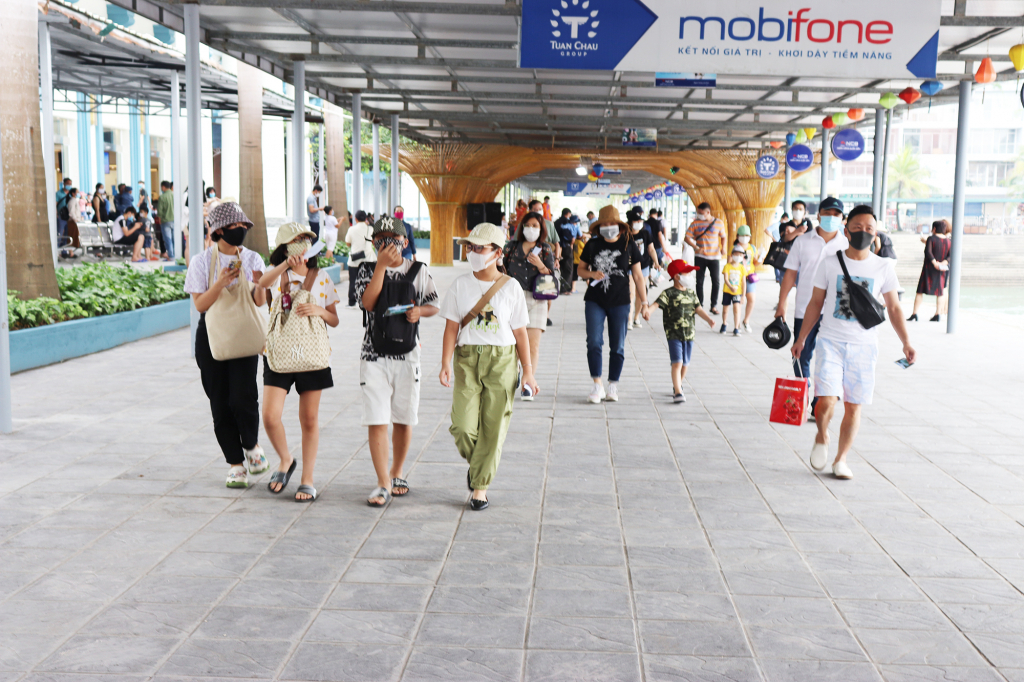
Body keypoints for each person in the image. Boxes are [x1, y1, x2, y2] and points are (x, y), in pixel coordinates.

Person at [792, 205, 916, 479]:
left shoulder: (883, 266)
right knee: (825, 401)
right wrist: (801, 338)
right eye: (858, 227)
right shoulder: (830, 262)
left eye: (869, 229)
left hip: (864, 346)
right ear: (846, 229)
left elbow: (894, 308)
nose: (863, 232)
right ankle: (822, 436)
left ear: (876, 235)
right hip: (830, 342)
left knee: (853, 405)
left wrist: (906, 342)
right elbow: (816, 302)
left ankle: (841, 459)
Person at [439, 223, 538, 511]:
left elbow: (521, 333)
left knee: (493, 428)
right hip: (467, 359)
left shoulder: (512, 287)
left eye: (479, 248)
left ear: (497, 253)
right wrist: (445, 362)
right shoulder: (460, 285)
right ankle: (481, 466)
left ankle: (480, 487)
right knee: (461, 427)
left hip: (503, 361)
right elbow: (450, 328)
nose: (472, 252)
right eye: (470, 247)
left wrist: (528, 371)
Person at [184, 202, 269, 489]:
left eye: (244, 226)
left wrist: (261, 285)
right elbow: (200, 306)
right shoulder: (200, 262)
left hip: (244, 333)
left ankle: (252, 446)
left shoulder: (253, 258)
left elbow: (260, 302)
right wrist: (220, 282)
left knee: (243, 397)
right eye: (236, 227)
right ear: (219, 231)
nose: (242, 231)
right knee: (219, 402)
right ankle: (235, 464)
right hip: (211, 337)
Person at [355, 216, 439, 507]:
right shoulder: (366, 269)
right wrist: (380, 266)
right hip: (373, 354)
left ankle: (397, 472)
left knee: (404, 417)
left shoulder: (418, 270)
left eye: (393, 238)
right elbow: (367, 303)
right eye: (380, 239)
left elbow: (434, 303)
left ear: (405, 242)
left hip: (407, 352)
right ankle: (381, 483)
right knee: (376, 417)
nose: (387, 243)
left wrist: (420, 312)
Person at [258, 223, 340, 502]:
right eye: (296, 240)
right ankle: (285, 460)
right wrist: (284, 266)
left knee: (309, 418)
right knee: (269, 416)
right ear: (284, 247)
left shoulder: (321, 278)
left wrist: (318, 309)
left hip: (311, 354)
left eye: (306, 239)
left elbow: (334, 319)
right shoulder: (276, 276)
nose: (303, 244)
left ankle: (307, 478)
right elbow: (260, 288)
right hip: (279, 351)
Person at [776, 196, 849, 404]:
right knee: (800, 355)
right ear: (818, 215)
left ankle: (819, 403)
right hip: (804, 309)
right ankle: (803, 395)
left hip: (835, 311)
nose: (831, 218)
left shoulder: (846, 245)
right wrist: (782, 304)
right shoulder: (802, 241)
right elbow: (790, 274)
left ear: (842, 219)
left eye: (836, 215)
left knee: (828, 359)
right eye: (827, 213)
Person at [577, 205, 649, 404]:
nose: (608, 227)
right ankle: (597, 384)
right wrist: (591, 274)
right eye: (604, 224)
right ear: (599, 227)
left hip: (620, 301)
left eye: (612, 224)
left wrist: (644, 303)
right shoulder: (592, 245)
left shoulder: (628, 244)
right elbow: (580, 270)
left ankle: (613, 384)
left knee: (617, 344)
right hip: (594, 300)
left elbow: (638, 276)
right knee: (593, 341)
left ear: (620, 226)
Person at [502, 211, 556, 399]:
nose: (531, 229)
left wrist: (540, 265)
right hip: (512, 298)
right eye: (528, 225)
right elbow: (501, 269)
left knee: (533, 345)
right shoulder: (511, 247)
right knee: (514, 342)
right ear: (521, 227)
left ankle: (528, 383)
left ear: (541, 229)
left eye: (535, 226)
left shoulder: (546, 249)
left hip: (537, 298)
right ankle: (516, 373)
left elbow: (552, 275)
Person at [650, 260, 716, 403]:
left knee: (685, 363)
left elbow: (698, 309)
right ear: (677, 276)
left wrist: (708, 319)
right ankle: (678, 392)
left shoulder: (692, 293)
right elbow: (656, 304)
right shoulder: (669, 293)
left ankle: (677, 384)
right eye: (687, 273)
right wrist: (648, 311)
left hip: (689, 334)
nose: (690, 276)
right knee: (677, 363)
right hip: (674, 334)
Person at [684, 202, 727, 314]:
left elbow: (723, 237)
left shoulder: (718, 223)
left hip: (714, 257)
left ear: (708, 212)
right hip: (700, 257)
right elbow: (687, 237)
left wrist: (723, 248)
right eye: (698, 212)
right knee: (699, 281)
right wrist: (696, 247)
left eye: (701, 213)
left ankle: (713, 305)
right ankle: (700, 305)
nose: (699, 214)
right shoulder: (695, 223)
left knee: (716, 281)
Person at [909, 219, 951, 322]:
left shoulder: (931, 239)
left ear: (934, 228)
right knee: (940, 292)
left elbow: (928, 252)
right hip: (941, 270)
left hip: (928, 269)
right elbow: (950, 255)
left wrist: (934, 263)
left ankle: (914, 313)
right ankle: (937, 314)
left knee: (920, 291)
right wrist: (943, 263)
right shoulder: (949, 241)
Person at [627, 207, 661, 329]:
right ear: (630, 222)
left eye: (640, 221)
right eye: (636, 221)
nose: (639, 223)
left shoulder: (645, 233)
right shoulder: (625, 235)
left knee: (640, 293)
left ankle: (636, 317)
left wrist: (656, 262)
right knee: (631, 293)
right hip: (629, 267)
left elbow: (651, 249)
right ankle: (629, 319)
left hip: (644, 266)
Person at [345, 210, 376, 307]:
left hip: (355, 260)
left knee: (353, 280)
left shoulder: (351, 229)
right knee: (371, 281)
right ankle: (371, 300)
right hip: (369, 258)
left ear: (356, 219)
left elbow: (348, 243)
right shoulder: (370, 229)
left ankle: (352, 302)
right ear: (366, 219)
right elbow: (373, 242)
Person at [736, 225, 764, 333]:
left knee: (751, 299)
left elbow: (755, 262)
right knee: (738, 301)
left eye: (747, 235)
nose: (744, 237)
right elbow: (730, 261)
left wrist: (761, 258)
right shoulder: (735, 247)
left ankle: (746, 320)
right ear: (738, 236)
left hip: (749, 277)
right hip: (738, 277)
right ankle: (737, 323)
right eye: (742, 235)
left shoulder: (752, 248)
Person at [720, 245, 751, 336]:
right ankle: (724, 323)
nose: (738, 256)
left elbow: (744, 282)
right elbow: (726, 279)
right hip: (727, 291)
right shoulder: (727, 266)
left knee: (736, 309)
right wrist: (730, 287)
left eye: (741, 255)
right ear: (732, 254)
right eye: (736, 254)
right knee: (725, 309)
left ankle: (736, 327)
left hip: (737, 292)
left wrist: (743, 295)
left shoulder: (742, 268)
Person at [553, 208, 579, 294]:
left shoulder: (556, 222)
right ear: (568, 214)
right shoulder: (567, 223)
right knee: (568, 269)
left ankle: (560, 287)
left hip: (557, 247)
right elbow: (569, 236)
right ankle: (565, 289)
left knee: (562, 268)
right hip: (566, 247)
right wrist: (572, 239)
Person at [156, 181, 175, 259]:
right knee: (174, 239)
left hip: (165, 220)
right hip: (175, 220)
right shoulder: (174, 195)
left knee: (167, 239)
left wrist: (160, 220)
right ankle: (176, 255)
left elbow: (159, 211)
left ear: (163, 187)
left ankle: (171, 256)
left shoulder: (162, 197)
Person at [572, 226, 589, 293]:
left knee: (575, 276)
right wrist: (585, 239)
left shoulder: (575, 242)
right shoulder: (581, 243)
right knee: (585, 276)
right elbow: (587, 247)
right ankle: (590, 288)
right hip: (581, 261)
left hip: (575, 261)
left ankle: (573, 288)